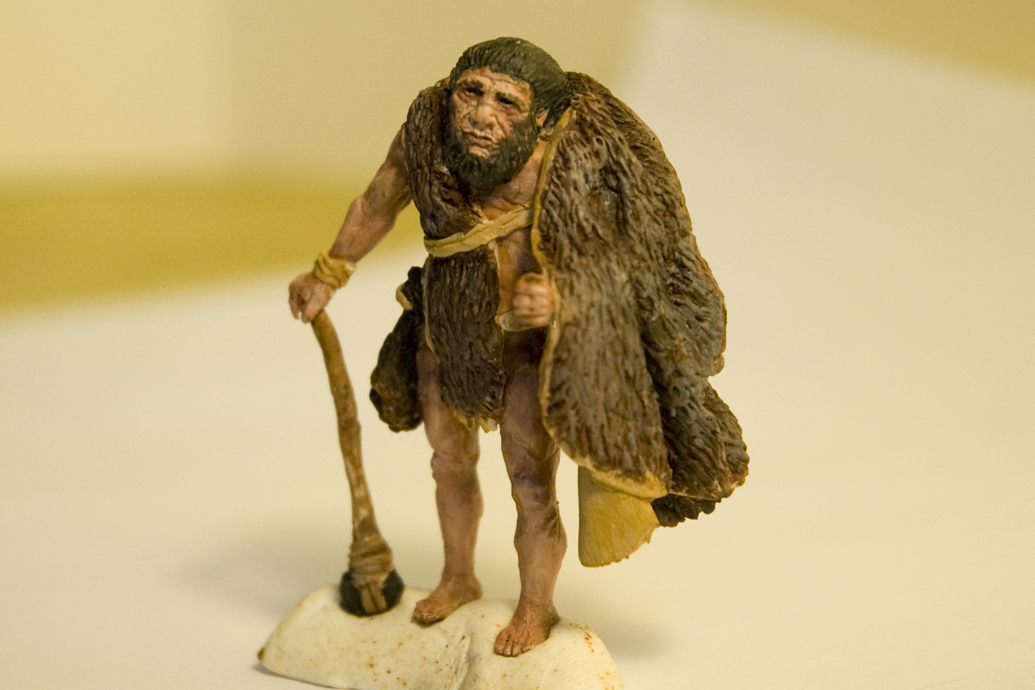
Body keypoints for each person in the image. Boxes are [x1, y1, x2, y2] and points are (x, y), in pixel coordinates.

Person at [288, 37, 748, 657]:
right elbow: (375, 203)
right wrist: (328, 273)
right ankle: (458, 576)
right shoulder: (426, 136)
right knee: (447, 463)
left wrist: (562, 296)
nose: (482, 114)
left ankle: (536, 607)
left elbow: (622, 258)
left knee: (531, 484)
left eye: (506, 102)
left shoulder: (571, 160)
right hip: (448, 332)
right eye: (471, 92)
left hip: (530, 352)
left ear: (542, 118)